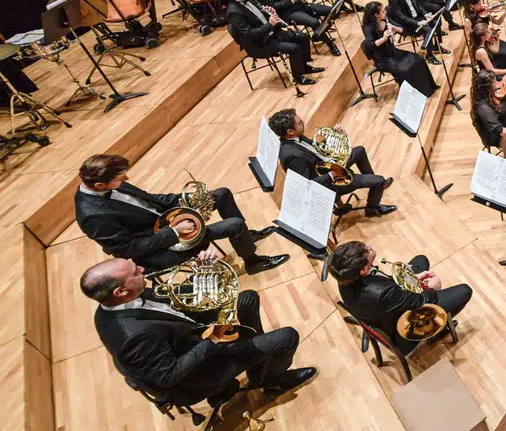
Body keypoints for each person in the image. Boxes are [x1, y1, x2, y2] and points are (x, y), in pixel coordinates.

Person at [83, 255, 315, 407]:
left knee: (247, 299)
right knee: (287, 337)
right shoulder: (134, 337)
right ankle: (273, 383)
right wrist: (214, 339)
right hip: (199, 371)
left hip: (192, 337)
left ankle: (258, 363)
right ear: (120, 291)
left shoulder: (117, 303)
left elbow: (173, 301)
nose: (142, 269)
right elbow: (168, 376)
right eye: (135, 272)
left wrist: (200, 275)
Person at [75, 154, 287, 273]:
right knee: (234, 224)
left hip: (168, 222)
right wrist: (175, 233)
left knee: (221, 194)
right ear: (100, 185)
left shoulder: (109, 185)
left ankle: (245, 239)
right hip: (160, 246)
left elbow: (151, 200)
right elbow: (128, 249)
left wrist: (186, 200)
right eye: (120, 179)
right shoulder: (93, 216)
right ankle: (253, 262)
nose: (126, 179)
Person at [330, 240, 472, 355]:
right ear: (363, 269)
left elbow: (384, 284)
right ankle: (438, 329)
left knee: (421, 260)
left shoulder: (344, 276)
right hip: (402, 331)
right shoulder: (383, 293)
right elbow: (421, 301)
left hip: (385, 310)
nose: (369, 246)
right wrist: (433, 288)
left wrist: (414, 278)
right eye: (366, 251)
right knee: (465, 291)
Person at [269, 108, 396, 218]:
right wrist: (332, 175)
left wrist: (333, 135)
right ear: (290, 132)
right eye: (299, 123)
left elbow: (316, 150)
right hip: (330, 183)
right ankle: (372, 208)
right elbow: (307, 186)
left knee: (360, 151)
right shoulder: (293, 156)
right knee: (379, 180)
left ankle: (373, 187)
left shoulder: (296, 138)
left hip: (329, 165)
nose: (303, 122)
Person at [224, 0, 322, 86]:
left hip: (271, 33)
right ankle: (297, 76)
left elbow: (258, 16)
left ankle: (303, 67)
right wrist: (270, 24)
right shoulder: (234, 12)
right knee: (294, 48)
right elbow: (249, 34)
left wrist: (269, 11)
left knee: (302, 37)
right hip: (259, 44)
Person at [362, 2, 437, 99]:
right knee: (405, 69)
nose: (385, 12)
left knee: (419, 59)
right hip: (382, 59)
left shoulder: (386, 20)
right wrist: (384, 38)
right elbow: (368, 46)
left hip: (393, 52)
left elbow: (404, 30)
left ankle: (426, 89)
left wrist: (396, 29)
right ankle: (412, 96)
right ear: (376, 15)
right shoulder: (368, 28)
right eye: (383, 11)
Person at [471, 69, 506, 149]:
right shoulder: (484, 108)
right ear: (486, 86)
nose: (498, 83)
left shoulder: (493, 93)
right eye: (494, 82)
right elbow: (499, 130)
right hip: (501, 134)